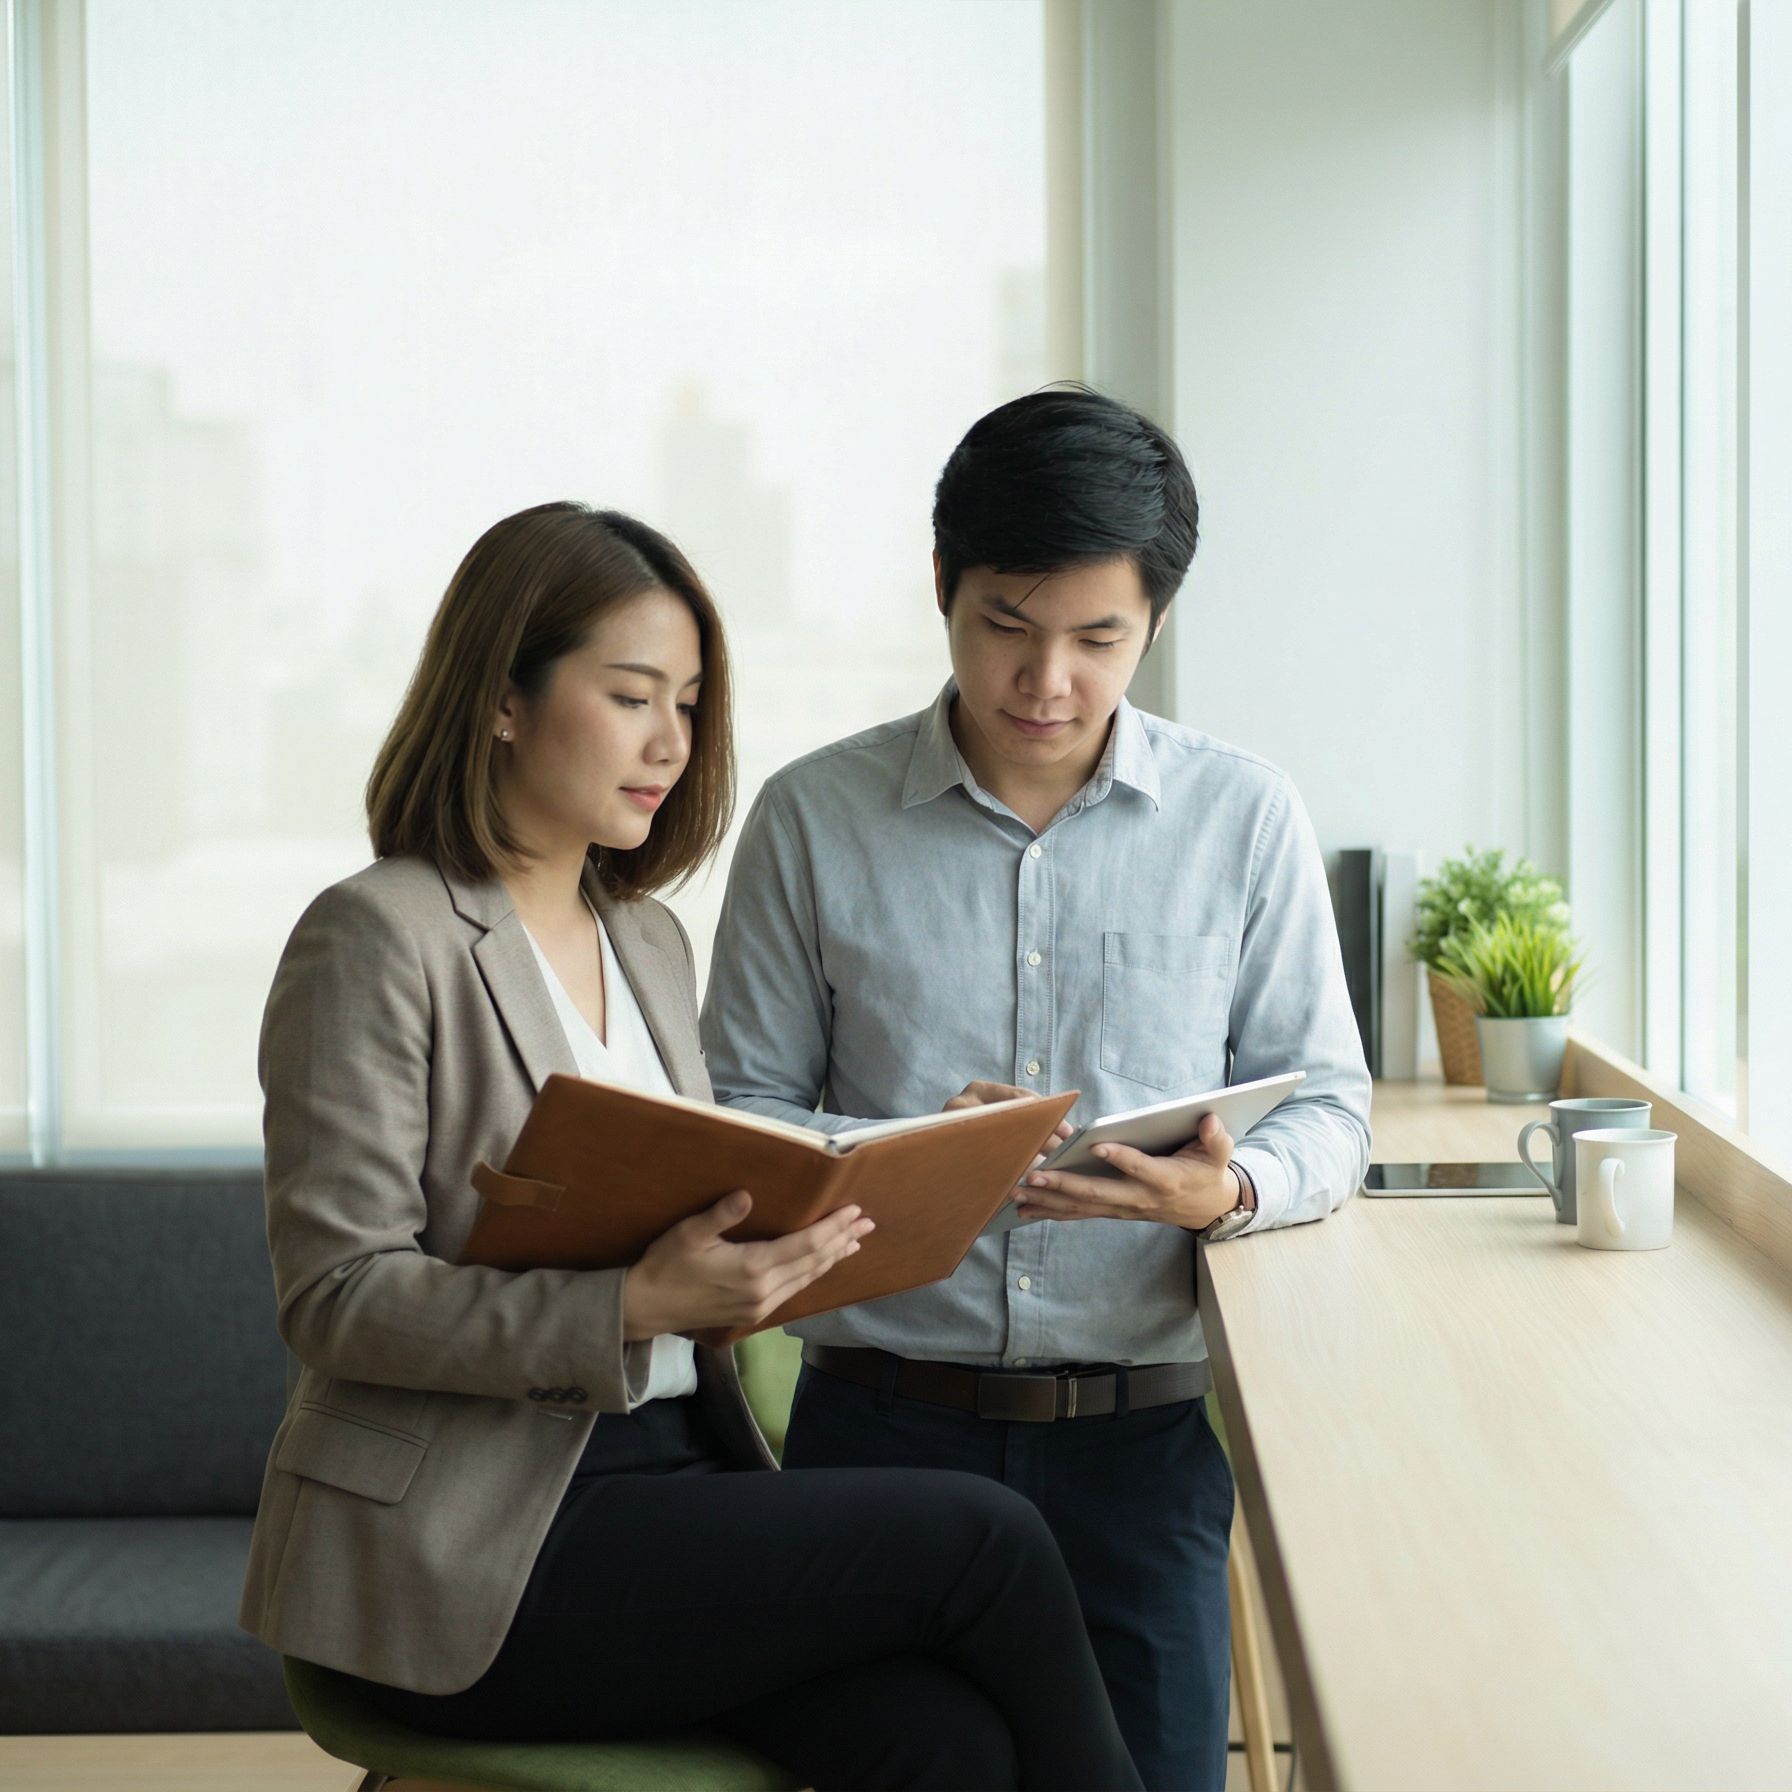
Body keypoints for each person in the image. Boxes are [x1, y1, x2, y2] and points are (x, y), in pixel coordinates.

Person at [242, 500, 1140, 1791]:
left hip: (670, 1484)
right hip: (482, 1540)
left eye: (690, 702)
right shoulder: (381, 938)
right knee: (987, 1541)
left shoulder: (647, 940)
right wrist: (632, 1301)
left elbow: (700, 1198)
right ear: (503, 698)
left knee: (945, 1744)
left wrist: (864, 1186)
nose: (670, 742)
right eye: (630, 697)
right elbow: (334, 1299)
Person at [702, 389, 1375, 1791]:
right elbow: (740, 1117)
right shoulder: (813, 820)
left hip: (1141, 1447)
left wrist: (1229, 1188)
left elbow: (1333, 1108)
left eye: (1096, 639)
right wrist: (906, 1154)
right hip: (880, 1439)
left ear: (1155, 625)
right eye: (1007, 624)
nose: (1047, 681)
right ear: (943, 588)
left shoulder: (1242, 819)